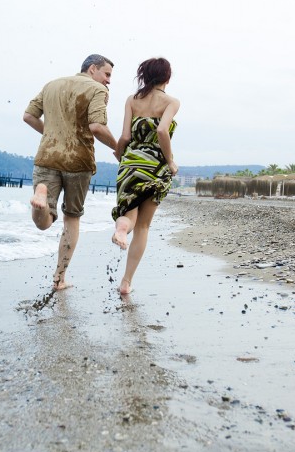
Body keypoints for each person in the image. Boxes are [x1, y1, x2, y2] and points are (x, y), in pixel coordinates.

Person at [23, 54, 118, 291]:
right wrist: (117, 148)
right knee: (72, 218)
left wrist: (50, 134)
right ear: (93, 68)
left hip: (47, 157)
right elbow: (96, 126)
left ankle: (42, 194)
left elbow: (28, 116)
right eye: (107, 74)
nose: (108, 81)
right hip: (78, 161)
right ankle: (59, 278)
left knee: (44, 223)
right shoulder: (97, 90)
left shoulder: (52, 84)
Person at [111, 57, 180, 295]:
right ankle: (126, 282)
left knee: (129, 217)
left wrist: (121, 155)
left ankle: (120, 229)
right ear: (167, 78)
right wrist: (170, 161)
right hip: (154, 167)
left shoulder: (132, 100)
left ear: (145, 76)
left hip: (130, 165)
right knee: (143, 227)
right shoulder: (171, 102)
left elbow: (124, 138)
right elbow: (162, 131)